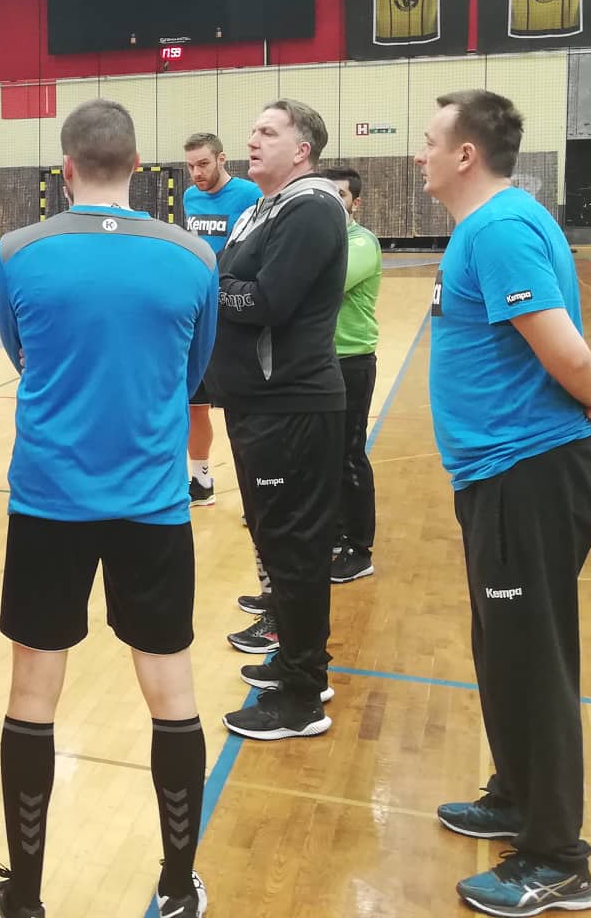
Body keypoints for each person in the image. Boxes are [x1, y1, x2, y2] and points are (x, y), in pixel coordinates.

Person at [0, 99, 218, 918]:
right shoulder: (192, 255)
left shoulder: (17, 251)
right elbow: (191, 374)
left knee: (33, 694)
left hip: (50, 500)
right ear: (140, 167)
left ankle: (25, 897)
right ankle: (177, 889)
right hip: (152, 502)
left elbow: (23, 353)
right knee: (170, 689)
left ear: (66, 168)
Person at [417, 89, 591, 917]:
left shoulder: (499, 229)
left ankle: (556, 859)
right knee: (502, 650)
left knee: (531, 661)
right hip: (501, 473)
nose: (419, 154)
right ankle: (517, 797)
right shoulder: (493, 226)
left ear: (465, 154)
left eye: (430, 140)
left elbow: (563, 349)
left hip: (529, 472)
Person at [211, 100, 348, 743]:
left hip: (290, 406)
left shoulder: (311, 208)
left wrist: (207, 286)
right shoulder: (261, 209)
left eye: (268, 131)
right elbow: (232, 281)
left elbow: (265, 299)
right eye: (253, 129)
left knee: (294, 550)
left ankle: (301, 696)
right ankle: (297, 660)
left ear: (302, 150)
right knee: (277, 544)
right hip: (260, 405)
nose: (253, 139)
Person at [181, 132, 262, 507]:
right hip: (198, 312)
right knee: (193, 404)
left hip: (234, 312)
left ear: (222, 159)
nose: (196, 173)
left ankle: (257, 491)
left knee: (243, 409)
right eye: (191, 166)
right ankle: (201, 481)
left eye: (203, 164)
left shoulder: (249, 195)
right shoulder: (190, 197)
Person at [320, 166, 382, 584]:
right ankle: (334, 535)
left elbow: (328, 283)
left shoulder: (361, 242)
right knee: (323, 456)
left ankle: (359, 550)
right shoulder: (322, 240)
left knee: (348, 454)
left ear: (355, 203)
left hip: (351, 361)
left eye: (341, 195)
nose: (333, 202)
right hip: (320, 361)